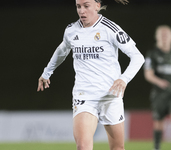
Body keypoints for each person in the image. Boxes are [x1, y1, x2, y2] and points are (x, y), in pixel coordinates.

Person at [37, 0, 144, 150]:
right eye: (78, 6)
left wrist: (123, 79)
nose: (81, 11)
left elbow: (138, 57)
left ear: (97, 6)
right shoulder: (71, 30)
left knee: (118, 148)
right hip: (84, 95)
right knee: (82, 146)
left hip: (110, 95)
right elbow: (62, 50)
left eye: (86, 6)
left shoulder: (110, 29)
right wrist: (46, 72)